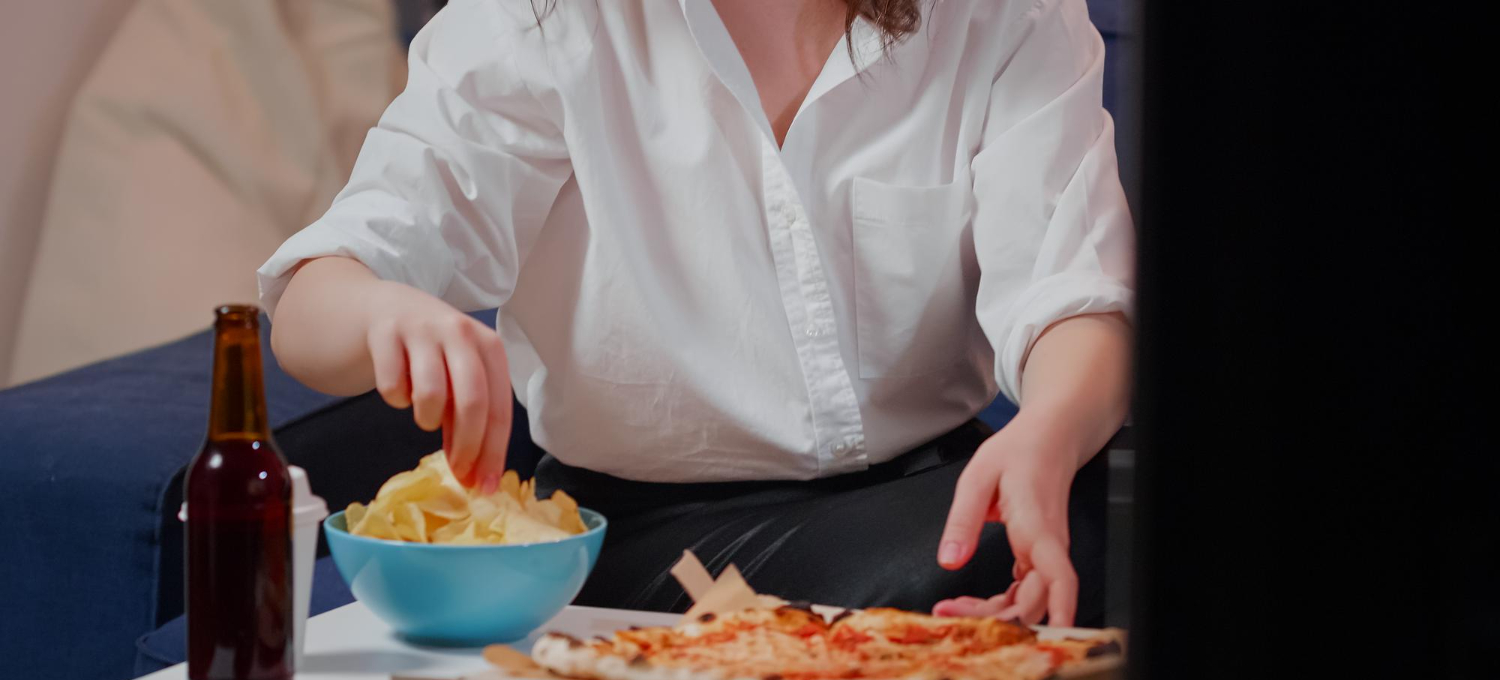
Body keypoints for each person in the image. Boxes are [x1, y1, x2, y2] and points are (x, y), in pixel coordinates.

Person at [260, 0, 1134, 627]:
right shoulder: (537, 20)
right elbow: (310, 301)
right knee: (959, 580)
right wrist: (381, 311)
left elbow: (1075, 296)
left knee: (1128, 521)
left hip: (929, 495)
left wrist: (1048, 435)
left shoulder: (1005, 15)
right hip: (643, 540)